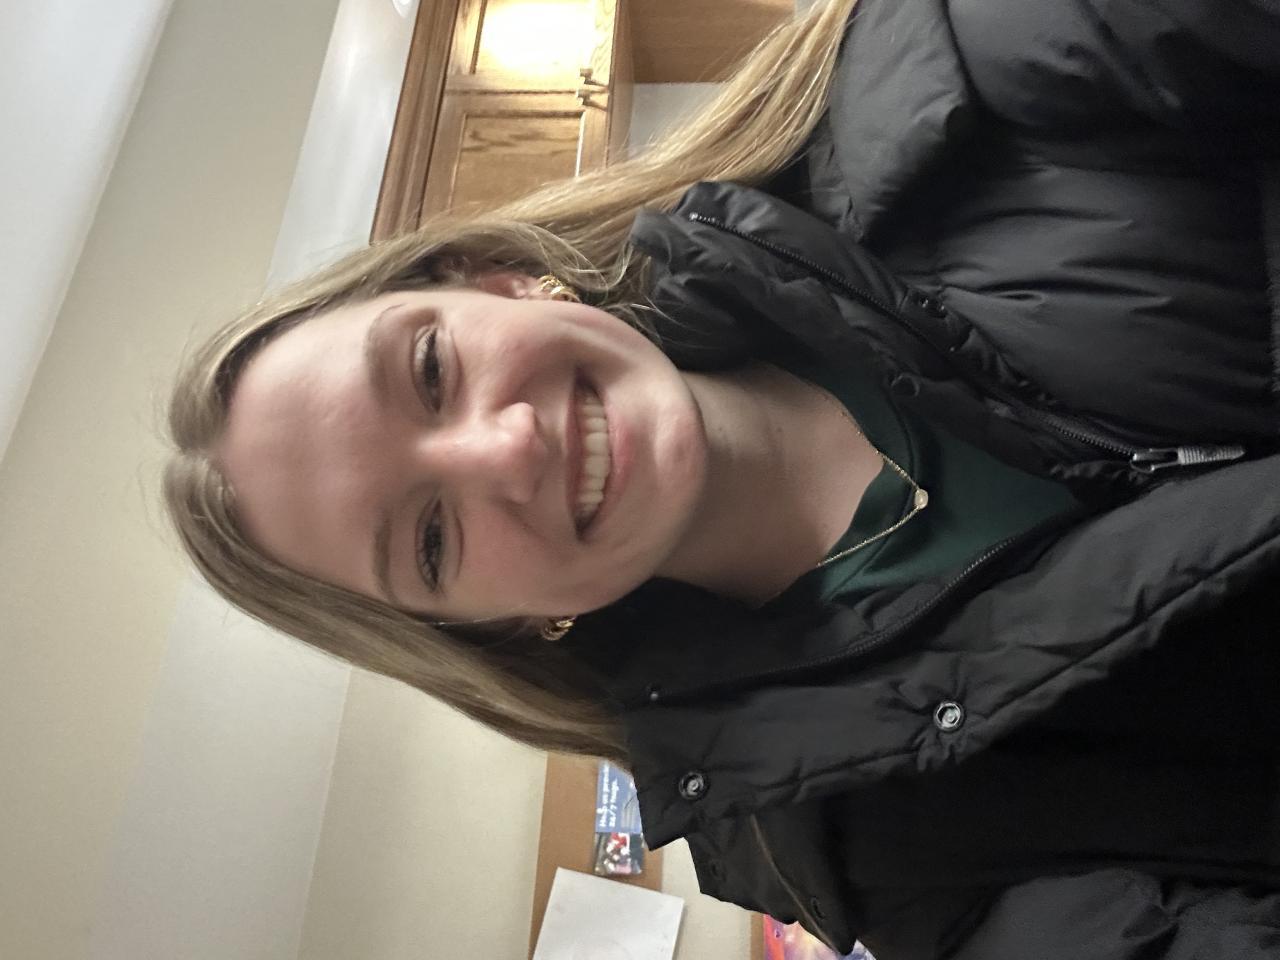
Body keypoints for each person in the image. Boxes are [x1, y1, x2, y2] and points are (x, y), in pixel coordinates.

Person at [164, 0, 1280, 955]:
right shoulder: (863, 849)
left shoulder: (942, 71)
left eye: (429, 370)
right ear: (498, 622)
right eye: (429, 540)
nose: (505, 451)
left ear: (500, 283)